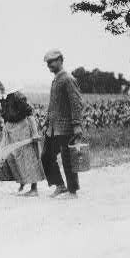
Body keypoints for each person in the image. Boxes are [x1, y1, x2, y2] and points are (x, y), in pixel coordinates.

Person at [41, 49, 84, 199]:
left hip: (66, 127)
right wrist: (46, 123)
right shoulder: (56, 80)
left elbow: (76, 103)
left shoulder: (68, 79)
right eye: (47, 63)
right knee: (46, 156)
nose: (49, 65)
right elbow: (53, 105)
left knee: (67, 159)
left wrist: (77, 124)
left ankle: (73, 192)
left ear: (60, 60)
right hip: (53, 128)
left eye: (52, 62)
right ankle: (60, 186)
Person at [0, 80, 46, 196]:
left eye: (2, 86)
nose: (0, 88)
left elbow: (29, 113)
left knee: (28, 158)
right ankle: (23, 182)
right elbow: (6, 115)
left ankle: (34, 188)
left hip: (23, 130)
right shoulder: (5, 98)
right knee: (14, 157)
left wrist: (34, 132)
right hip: (13, 131)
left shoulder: (18, 96)